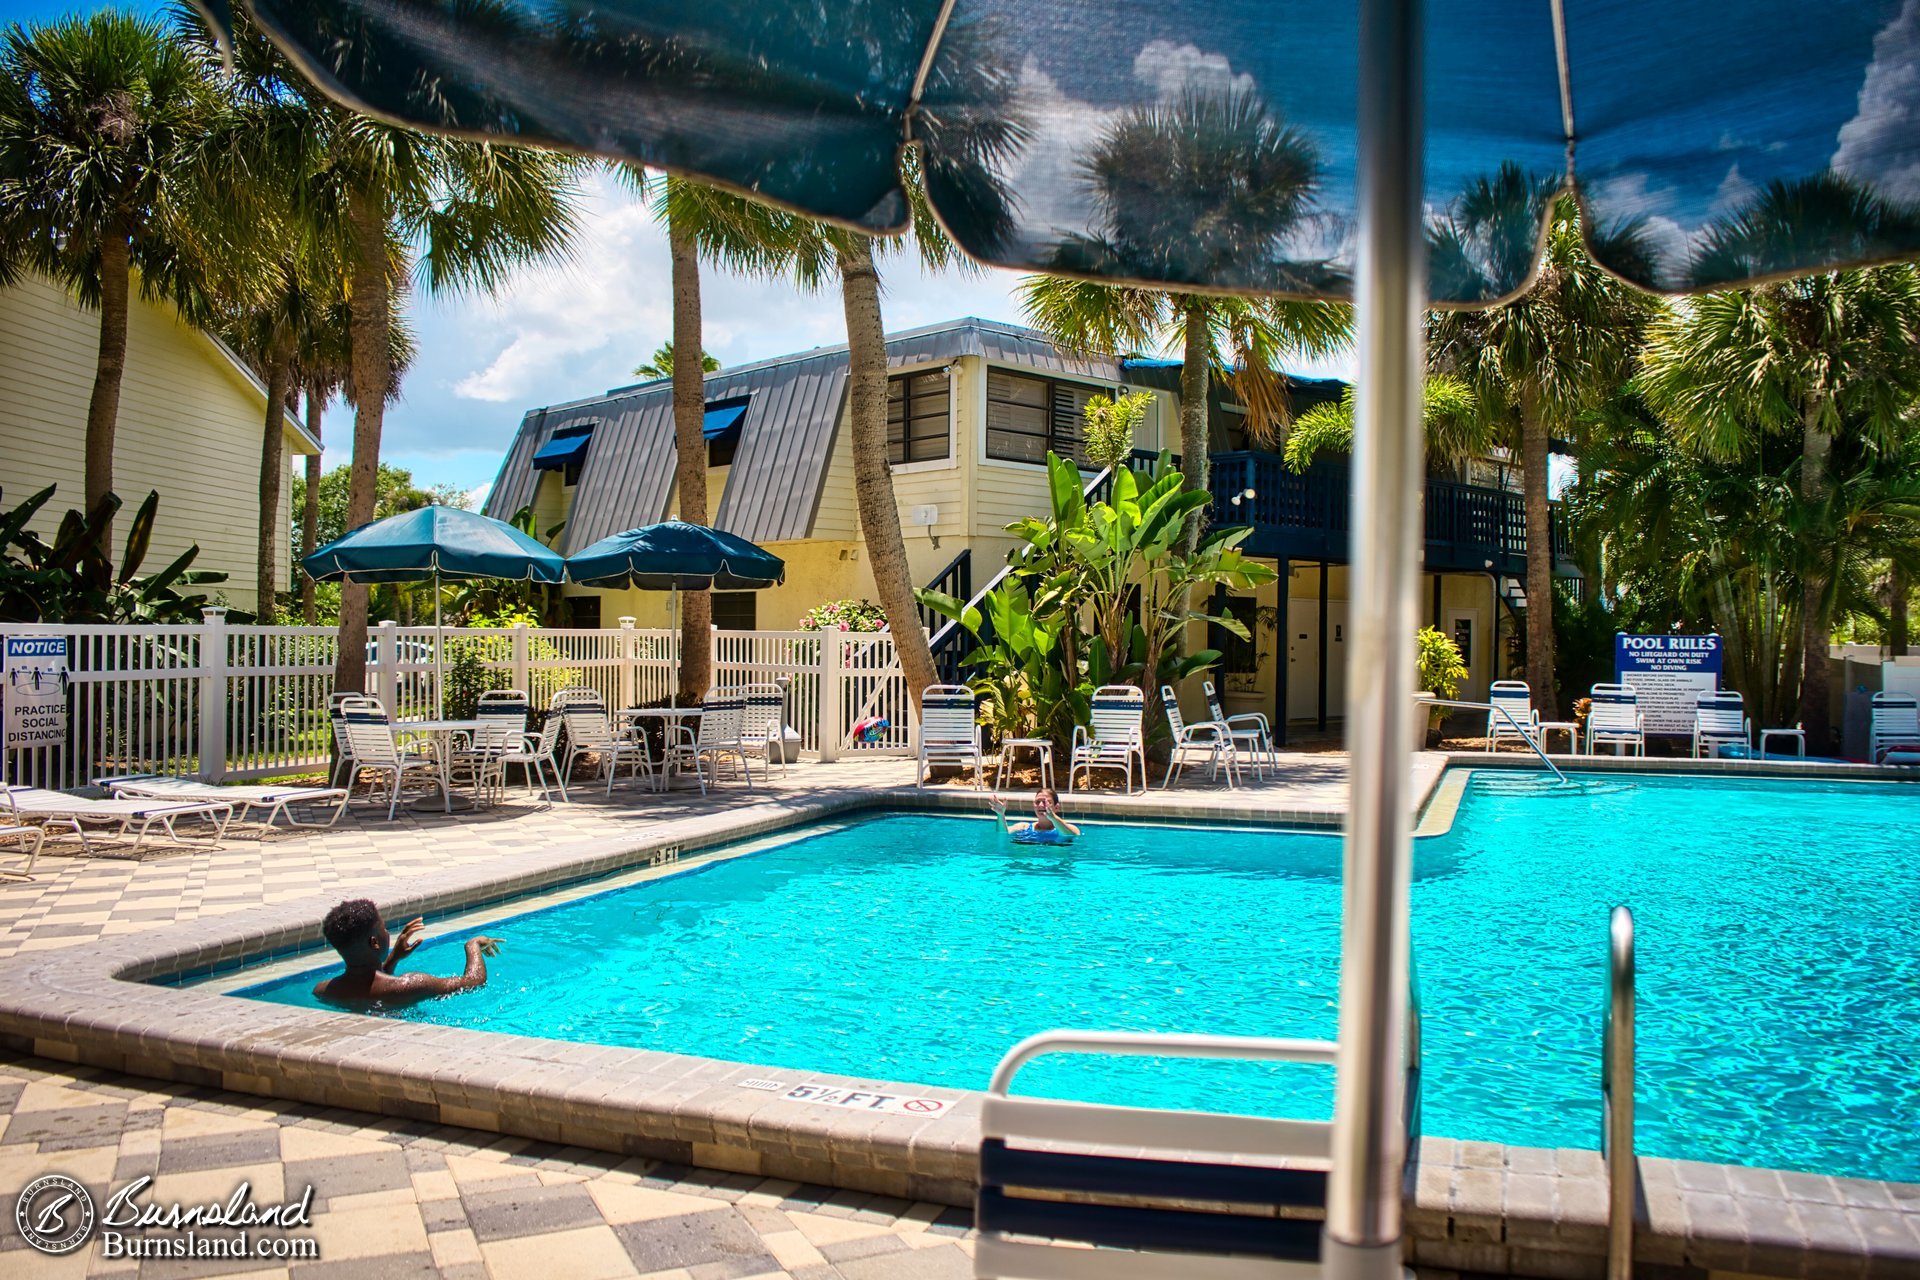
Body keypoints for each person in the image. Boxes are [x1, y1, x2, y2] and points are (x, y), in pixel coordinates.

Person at [313, 898, 501, 1008]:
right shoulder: (411, 985)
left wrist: (393, 958)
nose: (388, 933)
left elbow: (369, 984)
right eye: (384, 928)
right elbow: (473, 982)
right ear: (375, 943)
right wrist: (473, 945)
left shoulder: (323, 991)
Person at [989, 788, 1081, 845]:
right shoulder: (1023, 827)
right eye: (1037, 802)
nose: (1041, 805)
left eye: (1045, 802)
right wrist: (1000, 815)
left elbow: (1071, 834)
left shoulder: (1070, 828)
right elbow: (1003, 834)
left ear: (1056, 807)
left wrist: (1053, 818)